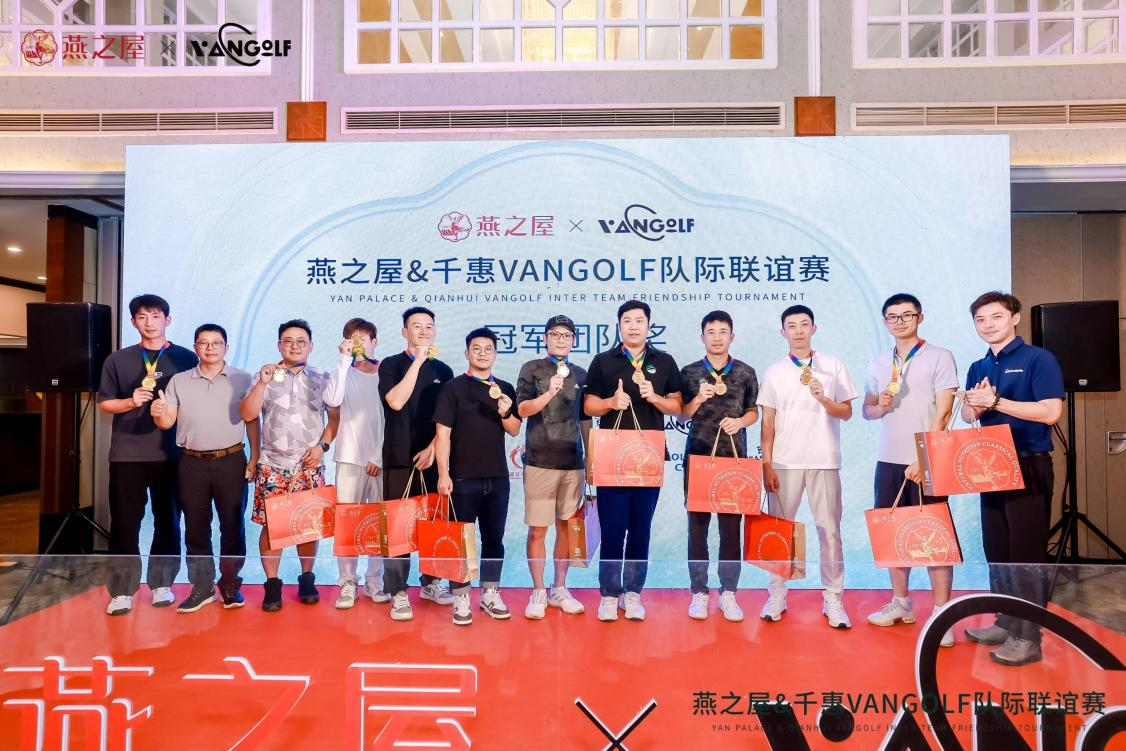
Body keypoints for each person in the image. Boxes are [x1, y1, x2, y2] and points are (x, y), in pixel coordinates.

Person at [960, 291, 1064, 667]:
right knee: (998, 550)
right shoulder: (979, 366)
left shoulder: (1039, 359)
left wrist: (996, 402)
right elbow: (969, 416)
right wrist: (974, 406)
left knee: (1025, 554)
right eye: (980, 320)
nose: (988, 325)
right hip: (989, 466)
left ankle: (1029, 636)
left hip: (1028, 463)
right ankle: (1006, 621)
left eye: (996, 317)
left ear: (1014, 318)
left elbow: (1050, 412)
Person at [861, 293, 957, 647]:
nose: (900, 321)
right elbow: (867, 411)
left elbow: (944, 411)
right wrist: (881, 406)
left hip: (928, 458)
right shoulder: (878, 361)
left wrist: (924, 457)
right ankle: (901, 602)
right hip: (888, 458)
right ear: (885, 321)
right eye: (893, 316)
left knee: (934, 536)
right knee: (893, 532)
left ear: (920, 317)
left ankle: (942, 613)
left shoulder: (939, 356)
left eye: (907, 315)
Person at [758, 305, 858, 628]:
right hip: (784, 463)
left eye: (804, 324)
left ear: (814, 328)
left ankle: (833, 598)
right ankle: (777, 594)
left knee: (830, 531)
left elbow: (846, 412)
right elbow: (767, 423)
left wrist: (824, 399)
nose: (798, 330)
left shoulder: (833, 366)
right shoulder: (774, 372)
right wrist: (767, 463)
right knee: (779, 531)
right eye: (792, 325)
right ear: (783, 332)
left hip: (824, 461)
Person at [97, 294, 198, 615]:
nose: (149, 322)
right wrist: (131, 401)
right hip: (127, 454)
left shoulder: (186, 358)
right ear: (133, 322)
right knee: (125, 523)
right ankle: (122, 590)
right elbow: (104, 404)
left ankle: (162, 583)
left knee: (169, 521)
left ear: (168, 319)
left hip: (172, 453)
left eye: (155, 316)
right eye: (142, 317)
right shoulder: (118, 360)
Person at [583, 300, 683, 622]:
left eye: (640, 320)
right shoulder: (603, 361)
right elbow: (588, 405)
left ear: (649, 326)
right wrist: (611, 402)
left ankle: (633, 593)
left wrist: (654, 397)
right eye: (627, 321)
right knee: (613, 529)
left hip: (647, 458)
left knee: (641, 529)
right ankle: (609, 594)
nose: (634, 326)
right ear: (619, 326)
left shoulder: (663, 361)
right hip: (612, 458)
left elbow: (677, 406)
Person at [151, 324, 256, 613]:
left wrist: (255, 457)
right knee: (196, 527)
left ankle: (230, 584)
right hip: (191, 462)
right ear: (196, 347)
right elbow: (167, 422)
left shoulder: (243, 378)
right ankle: (202, 586)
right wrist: (158, 414)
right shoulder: (179, 381)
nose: (210, 348)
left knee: (233, 526)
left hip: (231, 460)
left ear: (226, 347)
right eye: (204, 343)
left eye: (216, 343)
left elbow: (252, 419)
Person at [240, 319, 337, 612]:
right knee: (272, 526)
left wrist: (322, 447)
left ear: (311, 345)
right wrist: (262, 382)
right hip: (272, 464)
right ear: (279, 345)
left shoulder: (323, 378)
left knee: (308, 526)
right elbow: (248, 415)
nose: (294, 346)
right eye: (288, 341)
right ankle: (272, 583)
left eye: (301, 341)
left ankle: (307, 578)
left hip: (309, 465)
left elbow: (334, 419)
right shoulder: (264, 376)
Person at [434, 328, 522, 626]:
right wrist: (443, 473)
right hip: (462, 479)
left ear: (495, 354)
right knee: (460, 540)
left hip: (498, 478)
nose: (482, 353)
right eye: (477, 348)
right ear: (467, 353)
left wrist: (505, 412)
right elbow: (442, 435)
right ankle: (460, 595)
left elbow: (514, 429)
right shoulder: (453, 388)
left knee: (494, 539)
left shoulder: (505, 388)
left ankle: (489, 593)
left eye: (488, 349)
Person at [679, 310, 758, 622]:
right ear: (702, 337)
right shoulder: (689, 372)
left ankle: (728, 593)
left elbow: (754, 411)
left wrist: (740, 422)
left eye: (722, 332)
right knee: (697, 528)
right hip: (697, 457)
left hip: (733, 460)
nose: (716, 337)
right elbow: (681, 414)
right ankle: (699, 592)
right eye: (710, 332)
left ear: (732, 336)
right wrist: (698, 399)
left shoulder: (746, 372)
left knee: (730, 529)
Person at [378, 307, 456, 609]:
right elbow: (396, 402)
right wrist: (419, 361)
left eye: (429, 326)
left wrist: (434, 449)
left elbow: (448, 420)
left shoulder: (444, 371)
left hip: (434, 459)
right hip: (399, 458)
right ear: (404, 332)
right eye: (416, 326)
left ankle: (431, 583)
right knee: (398, 528)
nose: (424, 331)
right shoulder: (391, 364)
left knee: (434, 525)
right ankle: (398, 591)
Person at [515, 315, 590, 620]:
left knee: (566, 528)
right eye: (555, 334)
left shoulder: (581, 374)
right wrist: (549, 392)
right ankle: (537, 590)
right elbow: (522, 409)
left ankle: (559, 587)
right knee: (537, 529)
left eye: (567, 335)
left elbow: (585, 419)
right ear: (545, 338)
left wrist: (590, 459)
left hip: (573, 462)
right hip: (539, 460)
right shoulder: (531, 369)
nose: (561, 339)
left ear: (573, 340)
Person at [322, 318, 396, 615]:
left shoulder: (387, 372)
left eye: (363, 339)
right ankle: (347, 582)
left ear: (374, 342)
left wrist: (378, 455)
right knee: (347, 523)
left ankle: (374, 580)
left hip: (379, 460)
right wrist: (343, 360)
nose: (358, 344)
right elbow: (332, 400)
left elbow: (393, 417)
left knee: (379, 524)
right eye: (352, 339)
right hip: (349, 457)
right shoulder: (342, 372)